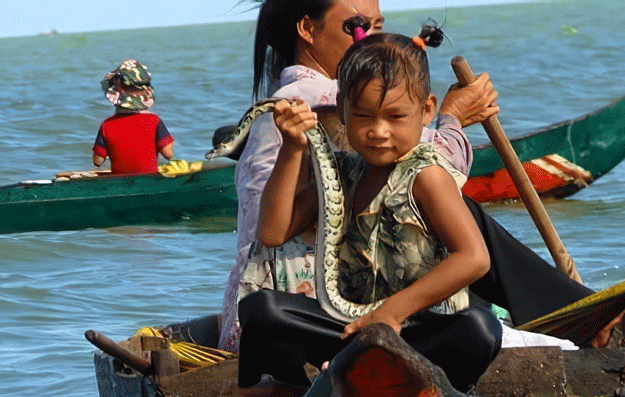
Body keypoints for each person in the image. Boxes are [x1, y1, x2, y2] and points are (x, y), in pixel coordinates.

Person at [218, 0, 616, 353]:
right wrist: (453, 119)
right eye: (358, 27)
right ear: (307, 29)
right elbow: (440, 163)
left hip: (377, 296)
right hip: (319, 296)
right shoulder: (318, 103)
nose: (370, 40)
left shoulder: (305, 101)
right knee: (458, 208)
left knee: (457, 250)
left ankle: (571, 310)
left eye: (377, 27)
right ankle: (577, 313)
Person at [236, 30, 502, 395]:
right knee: (261, 309)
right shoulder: (343, 172)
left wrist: (392, 313)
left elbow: (473, 258)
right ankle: (307, 388)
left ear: (427, 110)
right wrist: (292, 149)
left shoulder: (426, 176)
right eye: (363, 116)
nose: (378, 131)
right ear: (343, 108)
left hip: (415, 331)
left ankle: (406, 383)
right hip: (350, 329)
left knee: (479, 330)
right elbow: (272, 233)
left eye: (395, 117)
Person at [92, 60, 175, 174]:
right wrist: (170, 141)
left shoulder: (107, 125)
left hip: (119, 180)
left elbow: (98, 161)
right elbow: (168, 154)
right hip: (148, 179)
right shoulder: (153, 121)